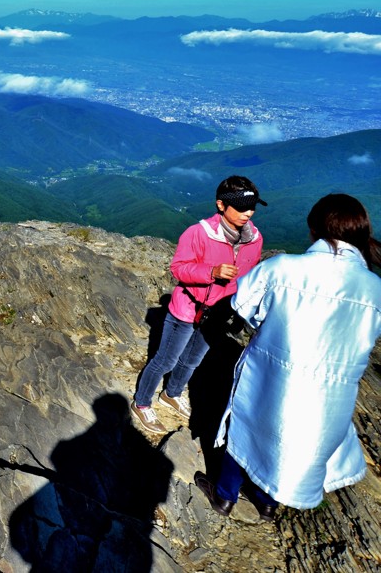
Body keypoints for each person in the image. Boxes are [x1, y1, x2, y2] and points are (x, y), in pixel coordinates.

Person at [197, 193, 381, 520]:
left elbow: (246, 307)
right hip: (334, 394)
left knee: (250, 424)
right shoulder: (374, 289)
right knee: (292, 442)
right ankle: (268, 502)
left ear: (314, 231)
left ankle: (224, 495)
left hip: (273, 371)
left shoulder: (283, 268)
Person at [130, 176, 266, 434]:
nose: (248, 213)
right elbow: (178, 269)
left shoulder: (255, 239)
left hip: (220, 312)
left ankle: (171, 394)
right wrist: (211, 272)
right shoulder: (198, 233)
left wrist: (243, 309)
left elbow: (250, 275)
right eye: (240, 207)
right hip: (187, 309)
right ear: (221, 205)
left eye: (252, 206)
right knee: (165, 360)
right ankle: (141, 403)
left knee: (192, 360)